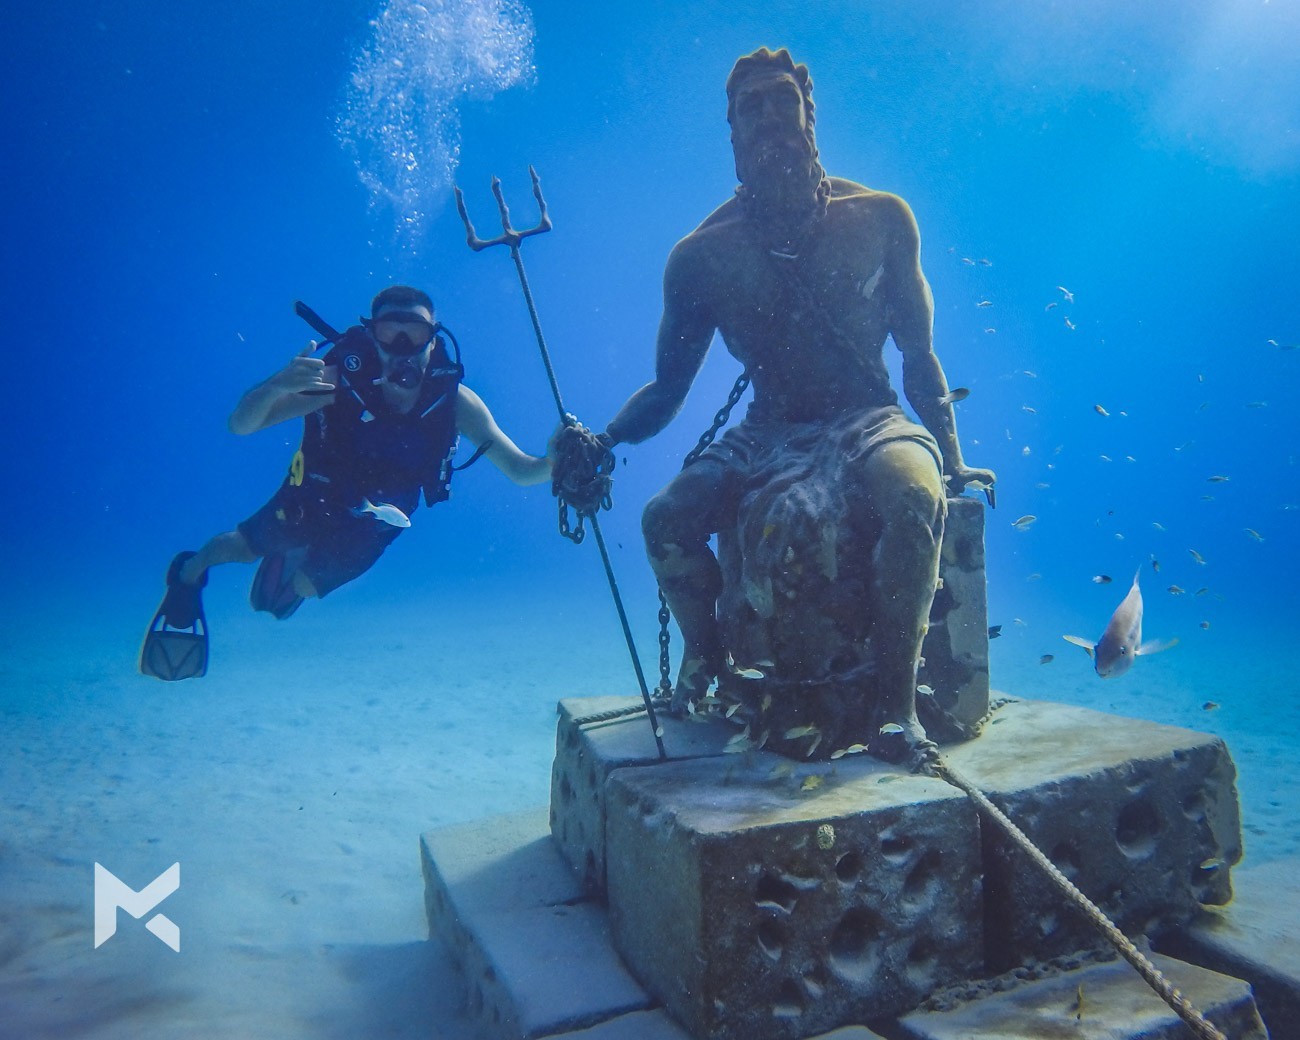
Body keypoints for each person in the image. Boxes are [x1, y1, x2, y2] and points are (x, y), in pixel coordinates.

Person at [579, 48, 995, 758]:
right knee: (666, 521)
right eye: (752, 107)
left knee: (912, 500)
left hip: (869, 418)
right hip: (765, 429)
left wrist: (951, 459)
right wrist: (603, 440)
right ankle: (708, 657)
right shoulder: (702, 257)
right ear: (733, 132)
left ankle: (897, 710)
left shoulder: (880, 220)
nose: (770, 117)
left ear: (809, 115)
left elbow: (919, 357)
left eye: (783, 101)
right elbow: (667, 390)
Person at [140, 285, 554, 680]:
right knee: (243, 548)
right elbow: (240, 425)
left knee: (294, 592)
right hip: (313, 494)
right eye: (391, 335)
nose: (404, 351)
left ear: (434, 340)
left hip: (377, 522)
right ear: (373, 338)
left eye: (417, 334)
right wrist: (276, 386)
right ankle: (190, 571)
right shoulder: (336, 382)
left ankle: (295, 561)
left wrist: (559, 460)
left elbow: (522, 471)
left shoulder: (456, 403)